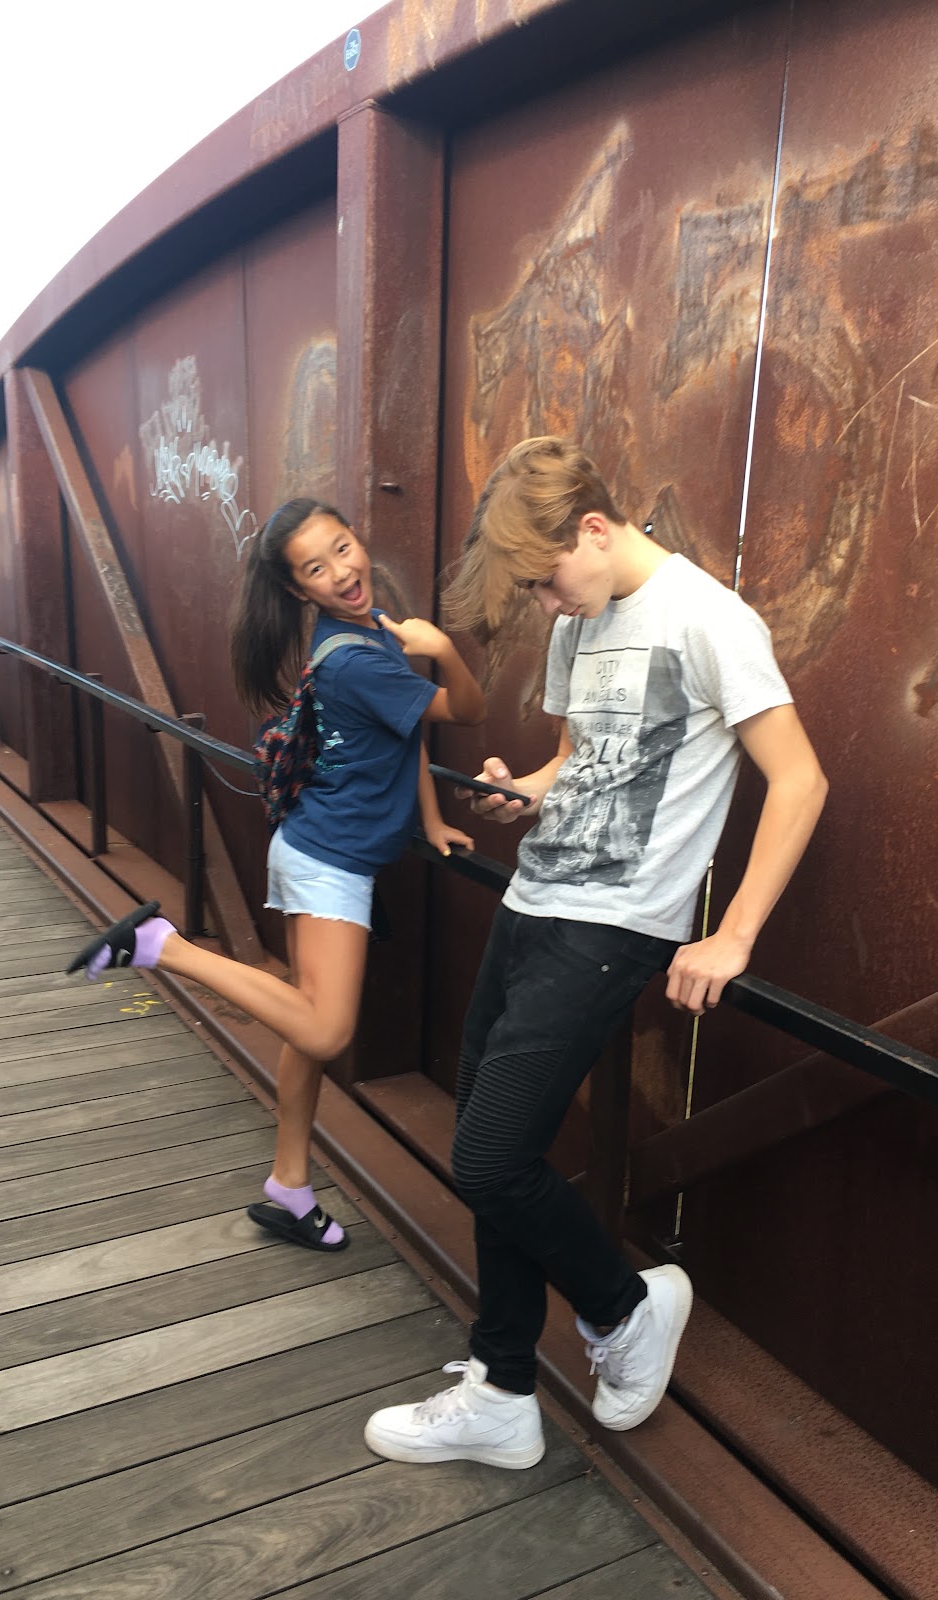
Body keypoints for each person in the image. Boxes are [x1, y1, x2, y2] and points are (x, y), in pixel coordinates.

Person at [364, 437, 828, 1469]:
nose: (546, 604)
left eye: (546, 581)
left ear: (594, 527)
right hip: (533, 901)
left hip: (614, 927)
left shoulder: (711, 619)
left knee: (487, 1158)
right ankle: (501, 1389)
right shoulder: (582, 614)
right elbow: (580, 760)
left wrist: (732, 932)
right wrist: (521, 791)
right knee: (493, 1153)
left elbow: (800, 780)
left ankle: (625, 1308)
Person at [69, 497, 484, 1250]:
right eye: (316, 568)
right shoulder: (359, 656)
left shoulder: (357, 631)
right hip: (330, 859)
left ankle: (289, 1187)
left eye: (343, 548)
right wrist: (444, 649)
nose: (342, 571)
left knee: (305, 1024)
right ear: (298, 589)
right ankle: (163, 946)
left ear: (356, 538)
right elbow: (465, 709)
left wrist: (427, 820)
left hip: (308, 843)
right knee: (328, 1027)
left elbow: (405, 733)